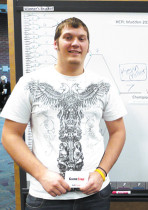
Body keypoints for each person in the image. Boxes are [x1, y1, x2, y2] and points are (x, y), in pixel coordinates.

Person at [1, 17, 127, 210]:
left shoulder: (103, 85)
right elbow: (10, 135)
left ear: (87, 46)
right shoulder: (31, 83)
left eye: (81, 38)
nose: (75, 43)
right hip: (46, 197)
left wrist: (101, 173)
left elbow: (118, 132)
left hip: (94, 195)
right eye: (68, 37)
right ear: (56, 44)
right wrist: (42, 174)